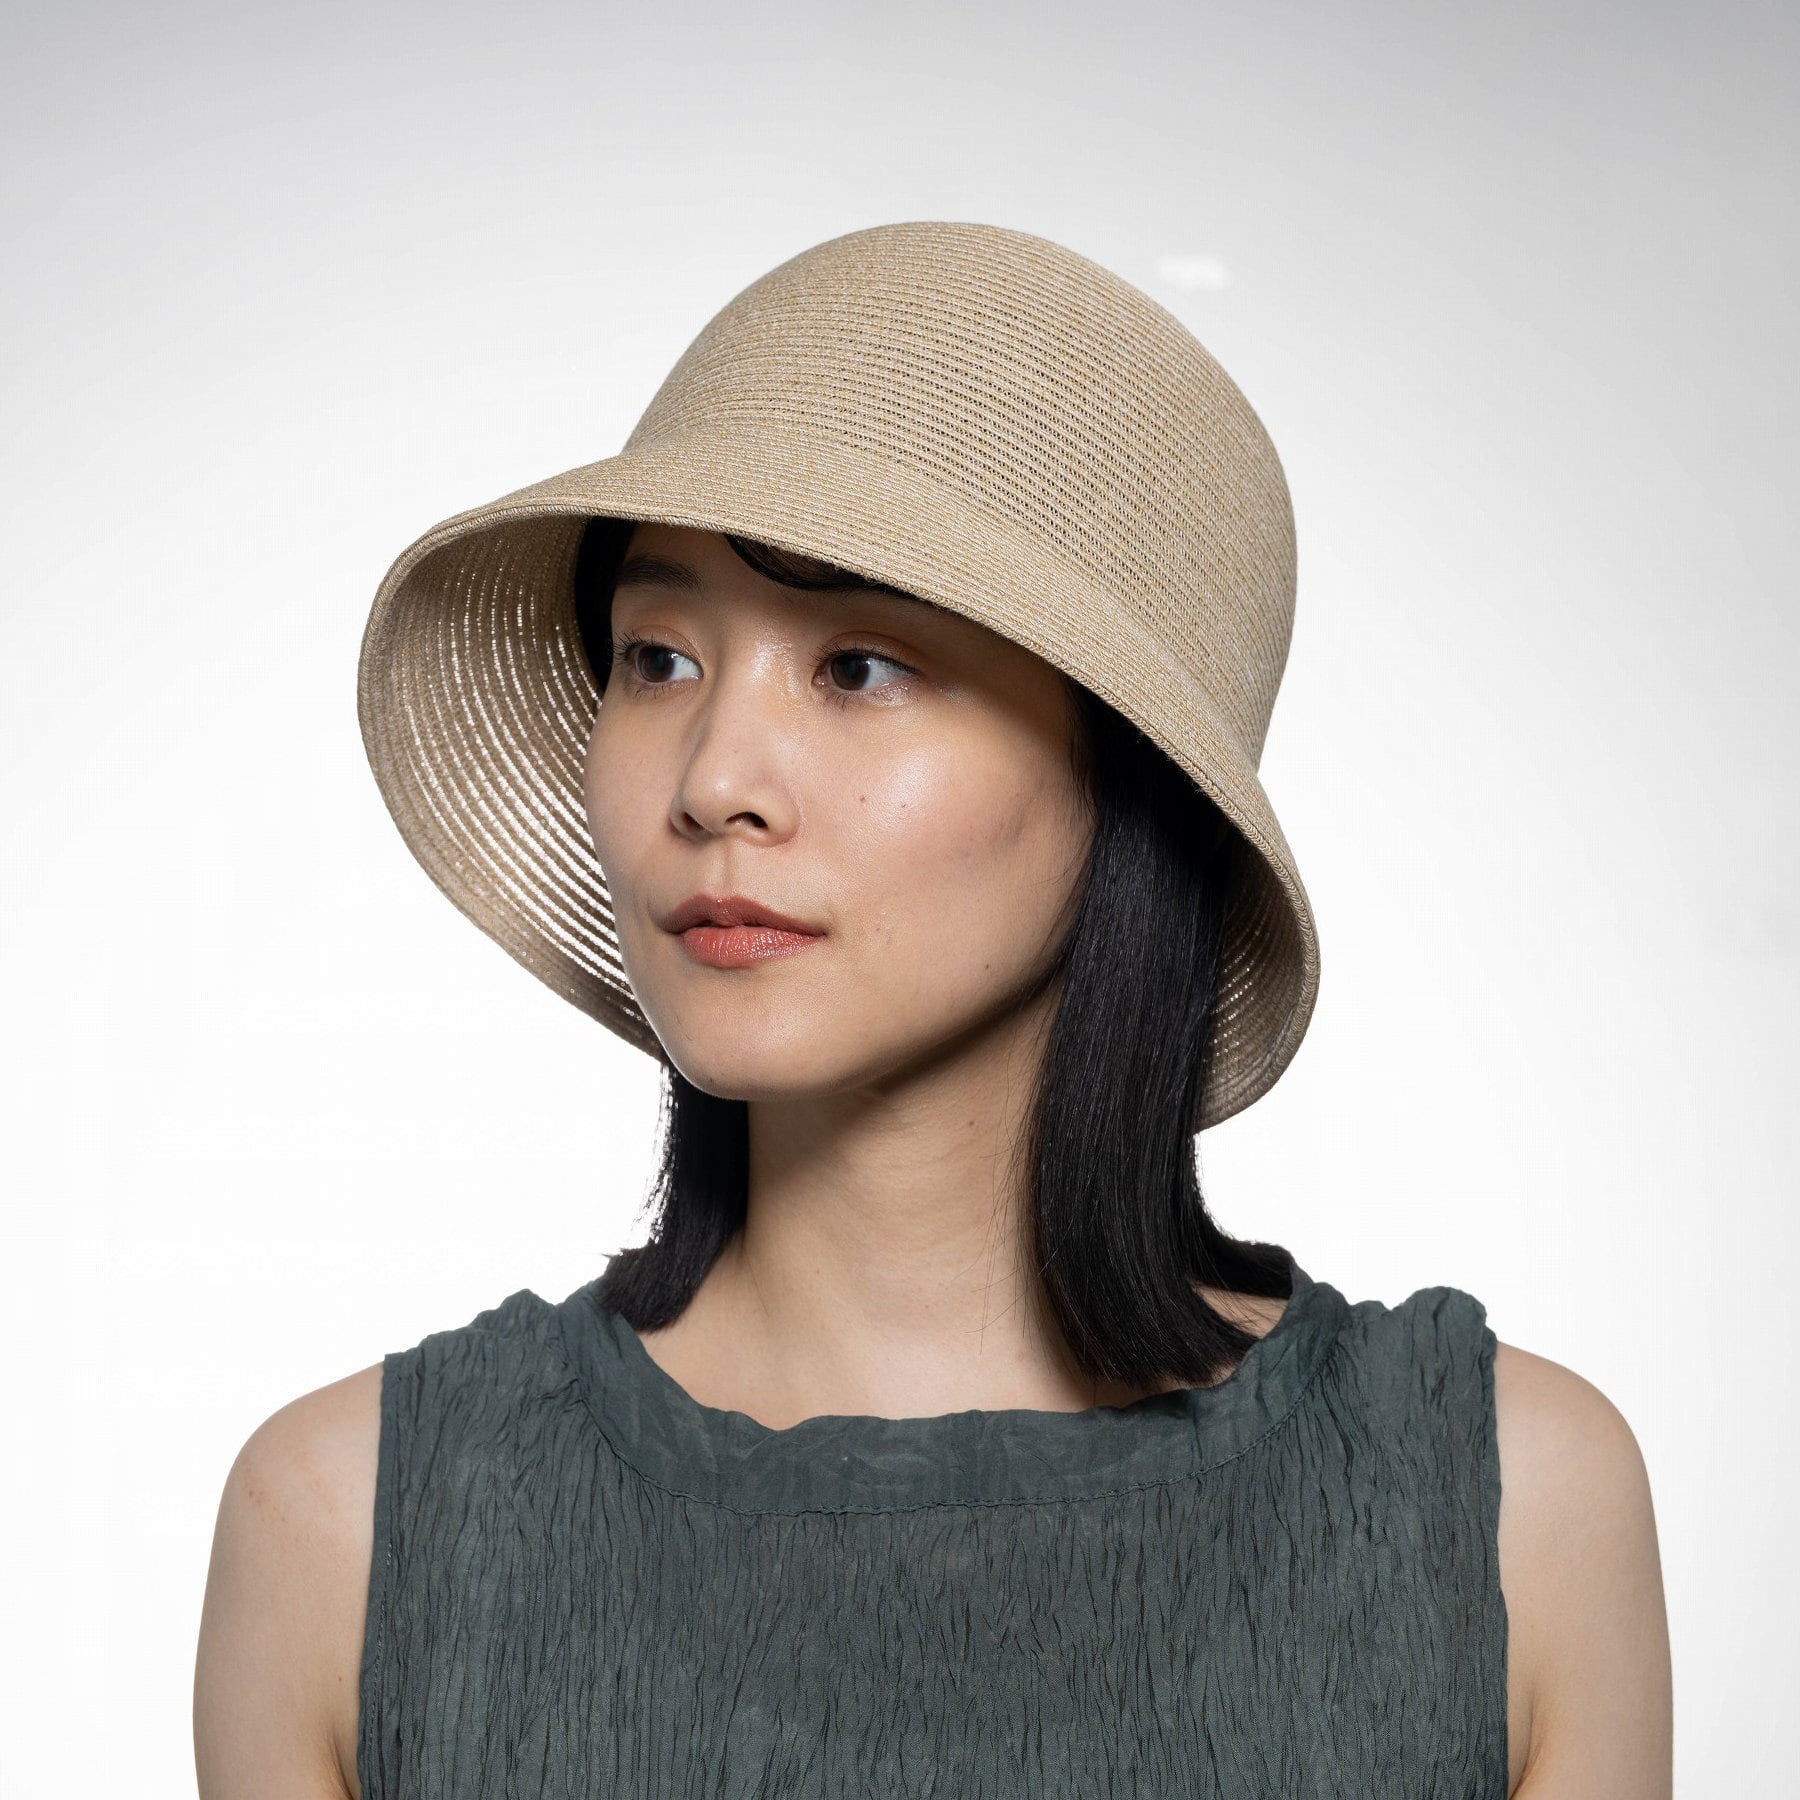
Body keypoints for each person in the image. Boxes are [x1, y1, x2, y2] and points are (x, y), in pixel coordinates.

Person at [193, 222, 1672, 1799]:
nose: (713, 781)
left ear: (1125, 769)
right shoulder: (351, 1540)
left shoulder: (1500, 1518)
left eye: (861, 668)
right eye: (658, 656)